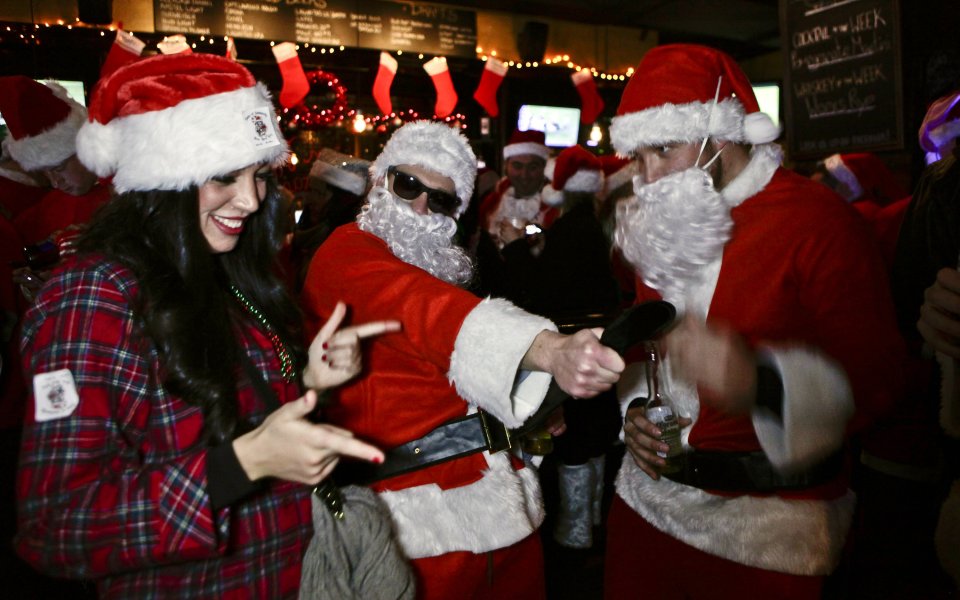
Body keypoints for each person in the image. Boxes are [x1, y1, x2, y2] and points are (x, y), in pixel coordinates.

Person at [14, 52, 399, 598]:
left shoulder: (223, 269)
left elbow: (218, 415)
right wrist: (245, 464)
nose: (251, 199)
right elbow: (56, 526)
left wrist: (308, 381)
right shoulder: (95, 295)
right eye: (224, 176)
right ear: (163, 179)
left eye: (259, 175)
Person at [604, 44, 905, 599]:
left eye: (662, 150)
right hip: (645, 509)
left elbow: (882, 379)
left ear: (720, 137)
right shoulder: (662, 220)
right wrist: (638, 411)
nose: (644, 178)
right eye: (635, 157)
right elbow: (646, 347)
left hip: (767, 537)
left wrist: (760, 384)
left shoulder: (818, 222)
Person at [300, 120, 625, 599]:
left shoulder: (431, 266)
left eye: (441, 199)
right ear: (379, 181)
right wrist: (549, 351)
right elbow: (426, 313)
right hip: (419, 526)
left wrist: (521, 400)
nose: (420, 207)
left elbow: (439, 359)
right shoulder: (348, 251)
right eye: (407, 184)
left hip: (491, 508)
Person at [497, 144, 623, 551]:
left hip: (574, 350)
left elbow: (539, 292)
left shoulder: (573, 228)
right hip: (601, 345)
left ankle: (575, 532)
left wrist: (516, 247)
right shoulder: (591, 225)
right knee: (594, 440)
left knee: (575, 442)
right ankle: (589, 523)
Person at [0, 76, 109, 247]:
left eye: (58, 168)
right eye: (45, 171)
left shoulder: (130, 192)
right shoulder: (43, 212)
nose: (56, 182)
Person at [289, 148, 371, 291]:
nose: (310, 200)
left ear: (339, 204)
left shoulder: (344, 248)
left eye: (319, 193)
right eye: (310, 190)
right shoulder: (305, 237)